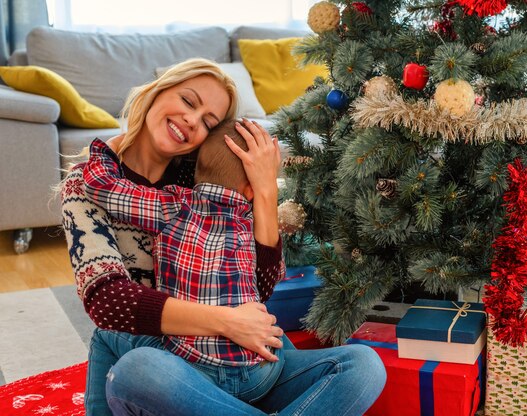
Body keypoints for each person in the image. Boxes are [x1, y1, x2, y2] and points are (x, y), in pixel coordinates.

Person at [60, 57, 386, 416]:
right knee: (137, 371)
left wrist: (265, 192)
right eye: (188, 101)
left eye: (207, 122)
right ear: (158, 90)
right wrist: (229, 322)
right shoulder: (82, 184)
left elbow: (258, 288)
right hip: (174, 362)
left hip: (231, 356)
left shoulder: (200, 175)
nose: (191, 120)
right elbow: (107, 302)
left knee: (362, 366)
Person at [82, 121, 285, 394]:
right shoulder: (251, 221)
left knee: (105, 334)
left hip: (189, 364)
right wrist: (266, 193)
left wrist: (106, 150)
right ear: (253, 188)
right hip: (259, 371)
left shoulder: (173, 206)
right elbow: (270, 283)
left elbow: (102, 187)